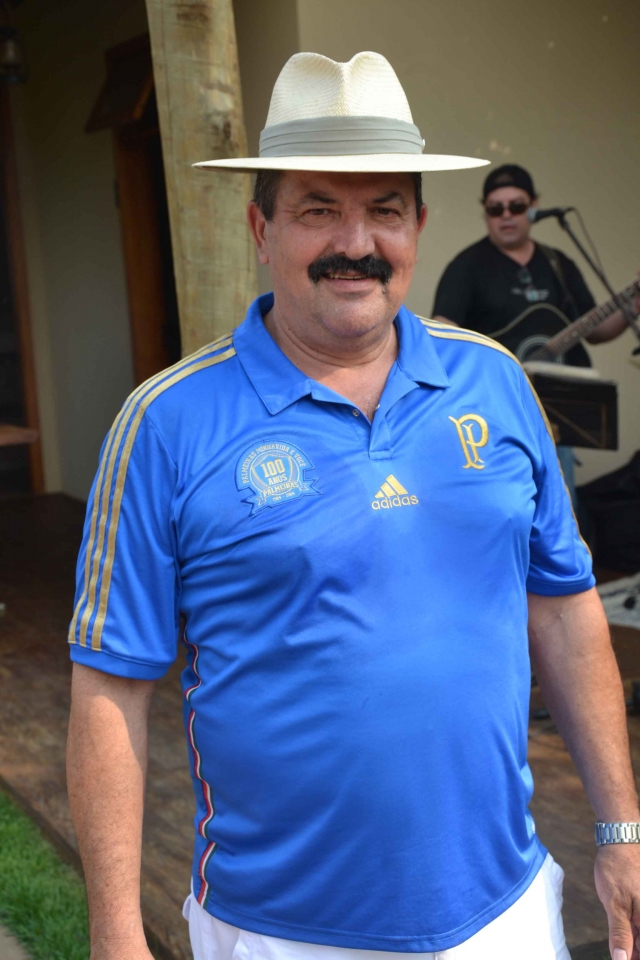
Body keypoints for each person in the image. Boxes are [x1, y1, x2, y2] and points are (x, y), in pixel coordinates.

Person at [66, 53, 640, 960]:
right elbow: (110, 685)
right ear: (261, 228)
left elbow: (566, 612)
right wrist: (113, 933)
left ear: (419, 225)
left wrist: (620, 830)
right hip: (278, 931)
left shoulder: (493, 381)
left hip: (506, 915)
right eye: (318, 210)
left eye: (385, 208)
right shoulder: (166, 424)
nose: (356, 242)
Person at [432, 164, 633, 503]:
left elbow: (596, 329)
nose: (506, 216)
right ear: (485, 212)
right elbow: (443, 332)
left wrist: (634, 305)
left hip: (555, 415)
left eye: (516, 206)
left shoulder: (558, 263)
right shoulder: (467, 265)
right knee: (505, 505)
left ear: (534, 206)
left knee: (558, 503)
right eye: (495, 209)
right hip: (494, 413)